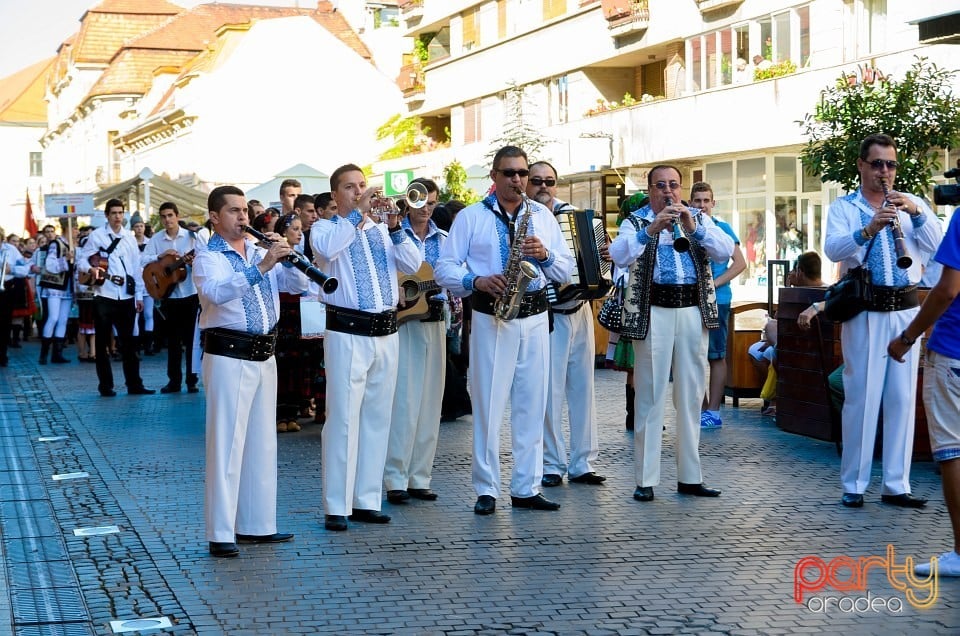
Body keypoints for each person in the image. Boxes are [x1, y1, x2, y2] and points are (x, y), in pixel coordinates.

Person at [435, 145, 574, 515]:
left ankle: (525, 487)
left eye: (522, 174)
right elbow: (444, 268)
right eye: (510, 173)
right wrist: (475, 280)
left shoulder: (542, 216)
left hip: (534, 317)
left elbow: (565, 269)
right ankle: (486, 489)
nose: (517, 180)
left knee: (532, 405)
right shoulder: (470, 217)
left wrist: (544, 255)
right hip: (491, 318)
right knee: (488, 405)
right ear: (494, 177)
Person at [823, 133, 942, 509]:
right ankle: (855, 484)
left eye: (890, 164)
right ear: (861, 165)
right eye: (877, 164)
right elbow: (833, 248)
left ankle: (896, 484)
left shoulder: (912, 204)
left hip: (906, 310)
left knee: (902, 398)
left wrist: (917, 214)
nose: (884, 171)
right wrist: (870, 228)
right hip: (866, 311)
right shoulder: (844, 207)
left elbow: (940, 248)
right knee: (862, 397)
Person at [193, 185, 306, 558]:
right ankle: (220, 531)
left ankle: (257, 525)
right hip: (229, 355)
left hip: (264, 354)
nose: (244, 217)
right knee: (226, 445)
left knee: (262, 442)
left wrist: (291, 256)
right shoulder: (208, 256)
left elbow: (299, 285)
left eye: (245, 211)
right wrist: (262, 266)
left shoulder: (260, 250)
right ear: (214, 217)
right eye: (234, 211)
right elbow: (216, 294)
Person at [610, 165, 733, 502]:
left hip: (692, 310)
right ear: (650, 189)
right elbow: (618, 256)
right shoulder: (635, 221)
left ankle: (690, 477)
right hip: (654, 313)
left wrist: (694, 228)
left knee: (692, 395)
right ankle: (646, 479)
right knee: (649, 395)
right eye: (661, 185)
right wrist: (650, 229)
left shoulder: (698, 217)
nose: (668, 191)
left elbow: (726, 252)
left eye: (674, 185)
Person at [310, 163, 422, 531]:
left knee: (377, 418)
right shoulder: (325, 228)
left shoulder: (381, 229)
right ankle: (337, 505)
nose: (360, 192)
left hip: (386, 332)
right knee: (343, 419)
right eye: (350, 188)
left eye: (362, 185)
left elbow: (413, 263)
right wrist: (359, 215)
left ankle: (366, 499)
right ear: (335, 195)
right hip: (347, 333)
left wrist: (394, 226)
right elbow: (329, 250)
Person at [888, 212, 960, 577]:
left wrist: (907, 336)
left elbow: (947, 289)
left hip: (954, 351)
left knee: (953, 451)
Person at [526, 161, 605, 487]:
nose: (544, 186)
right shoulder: (525, 217)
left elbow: (596, 250)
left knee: (583, 387)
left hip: (580, 308)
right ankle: (551, 465)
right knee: (549, 391)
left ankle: (583, 462)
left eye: (550, 181)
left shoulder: (573, 214)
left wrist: (603, 256)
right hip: (548, 313)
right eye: (537, 181)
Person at [383, 177, 447, 504]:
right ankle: (395, 479)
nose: (426, 210)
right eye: (421, 202)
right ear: (409, 201)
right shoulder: (390, 235)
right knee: (404, 400)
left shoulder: (446, 239)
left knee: (429, 401)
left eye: (432, 203)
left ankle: (420, 477)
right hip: (403, 323)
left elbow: (452, 278)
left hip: (435, 321)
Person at [78, 200, 154, 397]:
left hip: (126, 296)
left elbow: (136, 269)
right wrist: (91, 269)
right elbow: (81, 260)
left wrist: (138, 295)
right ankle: (105, 386)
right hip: (104, 294)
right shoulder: (97, 236)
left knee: (129, 343)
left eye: (120, 213)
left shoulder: (129, 238)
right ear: (107, 215)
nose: (117, 216)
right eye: (113, 213)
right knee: (102, 344)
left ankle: (134, 384)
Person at [690, 182, 746, 429]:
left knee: (716, 354)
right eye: (697, 200)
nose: (702, 205)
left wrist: (712, 284)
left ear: (713, 203)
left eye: (706, 201)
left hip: (718, 300)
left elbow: (740, 263)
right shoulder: (685, 227)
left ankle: (713, 410)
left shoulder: (722, 228)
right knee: (691, 355)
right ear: (690, 202)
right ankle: (700, 408)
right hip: (689, 301)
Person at [141, 202, 205, 393]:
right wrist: (161, 256)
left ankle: (191, 380)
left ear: (177, 216)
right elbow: (143, 260)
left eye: (170, 215)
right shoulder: (156, 239)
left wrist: (194, 263)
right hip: (169, 296)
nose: (167, 220)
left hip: (190, 294)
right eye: (163, 216)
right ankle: (174, 381)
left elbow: (205, 261)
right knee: (173, 340)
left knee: (191, 340)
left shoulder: (192, 238)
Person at [38, 224, 74, 364]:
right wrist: (65, 259)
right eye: (75, 228)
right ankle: (44, 354)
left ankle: (57, 354)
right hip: (55, 285)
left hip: (67, 286)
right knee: (53, 317)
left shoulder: (72, 245)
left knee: (63, 319)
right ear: (68, 229)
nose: (76, 231)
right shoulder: (56, 243)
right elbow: (50, 264)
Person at [1, 228, 31, 367]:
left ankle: (2, 354)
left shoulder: (11, 250)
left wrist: (10, 269)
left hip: (7, 288)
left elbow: (24, 269)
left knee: (5, 322)